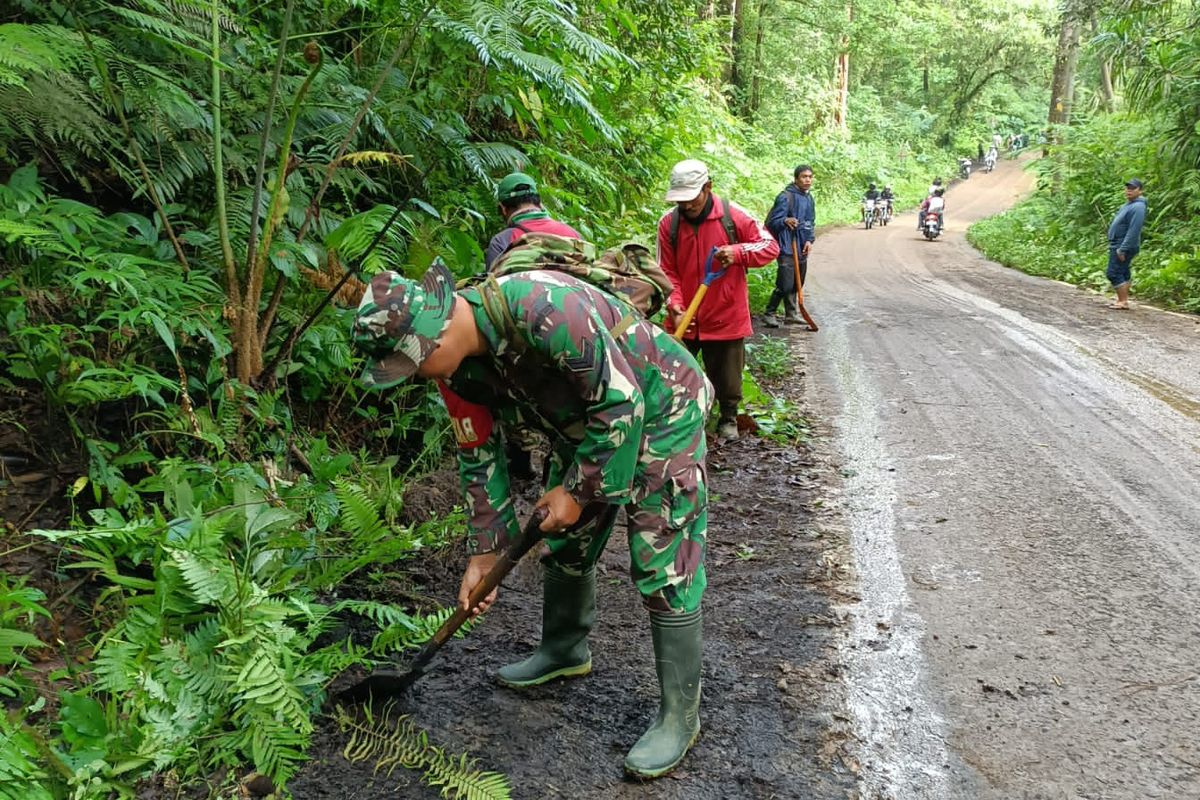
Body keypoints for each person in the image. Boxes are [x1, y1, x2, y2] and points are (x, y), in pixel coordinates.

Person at [350, 261, 714, 779]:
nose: (415, 377)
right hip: (587, 424)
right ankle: (564, 649)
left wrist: (578, 490)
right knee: (564, 539)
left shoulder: (544, 308)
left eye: (411, 365)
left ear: (436, 337)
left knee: (663, 557)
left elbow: (622, 404)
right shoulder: (456, 372)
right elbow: (478, 455)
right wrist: (485, 552)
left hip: (661, 406)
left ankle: (680, 716)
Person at [657, 159, 779, 440]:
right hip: (685, 314)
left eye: (691, 198)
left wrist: (738, 253)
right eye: (680, 200)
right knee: (674, 370)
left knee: (727, 373)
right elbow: (666, 270)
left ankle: (728, 416)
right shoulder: (668, 224)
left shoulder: (732, 215)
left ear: (708, 188)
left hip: (725, 311)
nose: (686, 205)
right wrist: (674, 304)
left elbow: (770, 246)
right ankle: (680, 419)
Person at [484, 172, 582, 479]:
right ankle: (563, 470)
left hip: (525, 336)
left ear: (503, 209)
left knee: (515, 396)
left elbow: (494, 295)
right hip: (574, 331)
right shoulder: (570, 234)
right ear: (538, 200)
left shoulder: (504, 241)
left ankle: (521, 464)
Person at [484, 172, 580, 271]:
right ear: (540, 203)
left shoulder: (501, 241)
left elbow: (493, 279)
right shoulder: (573, 234)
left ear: (503, 209)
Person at [762, 165, 816, 328]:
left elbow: (810, 222)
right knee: (785, 283)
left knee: (798, 282)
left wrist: (809, 240)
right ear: (796, 179)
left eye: (810, 177)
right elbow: (771, 223)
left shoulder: (809, 198)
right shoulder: (785, 197)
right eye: (804, 177)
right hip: (786, 244)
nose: (808, 180)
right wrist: (785, 220)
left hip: (802, 245)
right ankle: (769, 313)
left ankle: (791, 314)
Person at [1106, 178, 1147, 310]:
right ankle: (1122, 300)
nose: (1129, 190)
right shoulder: (1129, 205)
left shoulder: (1138, 207)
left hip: (1123, 244)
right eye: (1128, 188)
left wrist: (1123, 248)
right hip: (1118, 243)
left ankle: (1123, 301)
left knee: (1113, 273)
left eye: (1133, 188)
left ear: (1140, 191)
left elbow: (1134, 229)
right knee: (1123, 272)